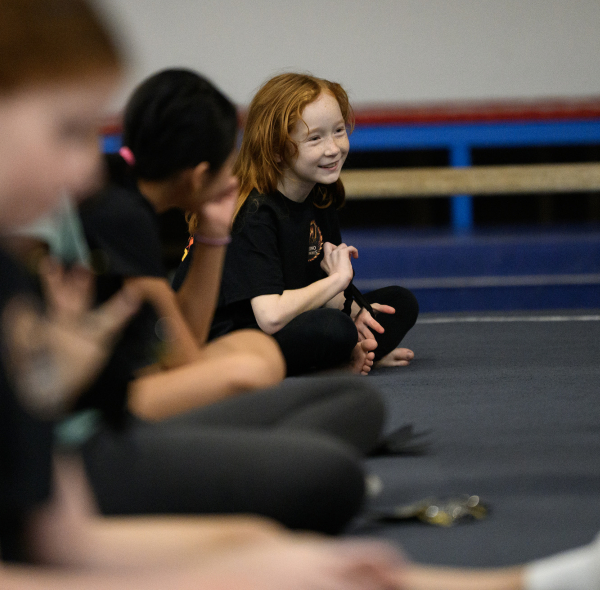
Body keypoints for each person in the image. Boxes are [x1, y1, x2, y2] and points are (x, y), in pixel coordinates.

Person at [0, 0, 600, 590]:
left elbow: (59, 528)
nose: (86, 171)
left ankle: (515, 582)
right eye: (68, 130)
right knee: (275, 544)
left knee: (271, 540)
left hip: (48, 512)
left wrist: (266, 555)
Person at [76, 68, 385, 534]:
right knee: (274, 384)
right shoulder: (121, 213)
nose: (235, 172)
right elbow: (183, 353)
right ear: (200, 174)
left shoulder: (136, 197)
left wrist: (215, 232)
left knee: (291, 372)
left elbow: (187, 337)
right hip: (112, 410)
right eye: (227, 162)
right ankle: (228, 449)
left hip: (143, 376)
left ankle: (238, 441)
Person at [197, 72, 419, 376]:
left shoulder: (318, 193)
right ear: (276, 149)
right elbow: (270, 316)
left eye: (339, 131)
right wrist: (338, 282)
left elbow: (318, 283)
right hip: (236, 337)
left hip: (288, 320)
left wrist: (355, 309)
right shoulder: (256, 212)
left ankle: (356, 355)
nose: (333, 148)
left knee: (398, 303)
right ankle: (336, 361)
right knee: (334, 328)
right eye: (315, 138)